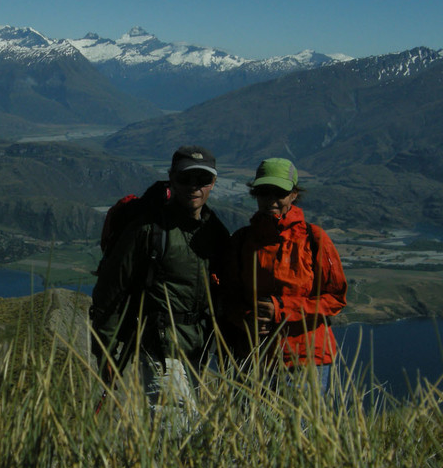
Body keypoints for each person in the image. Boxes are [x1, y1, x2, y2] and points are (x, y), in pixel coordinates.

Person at [90, 145, 231, 425]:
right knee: (174, 427)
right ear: (171, 178)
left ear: (213, 183)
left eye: (202, 180)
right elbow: (111, 292)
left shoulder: (214, 231)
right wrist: (105, 349)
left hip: (198, 349)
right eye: (185, 178)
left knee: (185, 427)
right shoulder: (148, 230)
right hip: (160, 347)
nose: (194, 187)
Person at [224, 157, 347, 394]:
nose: (271, 199)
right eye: (263, 191)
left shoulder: (314, 238)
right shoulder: (241, 241)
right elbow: (228, 297)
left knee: (297, 430)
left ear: (293, 195)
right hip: (253, 357)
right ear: (255, 193)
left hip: (304, 359)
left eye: (279, 192)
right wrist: (246, 318)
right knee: (252, 429)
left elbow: (336, 298)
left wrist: (282, 309)